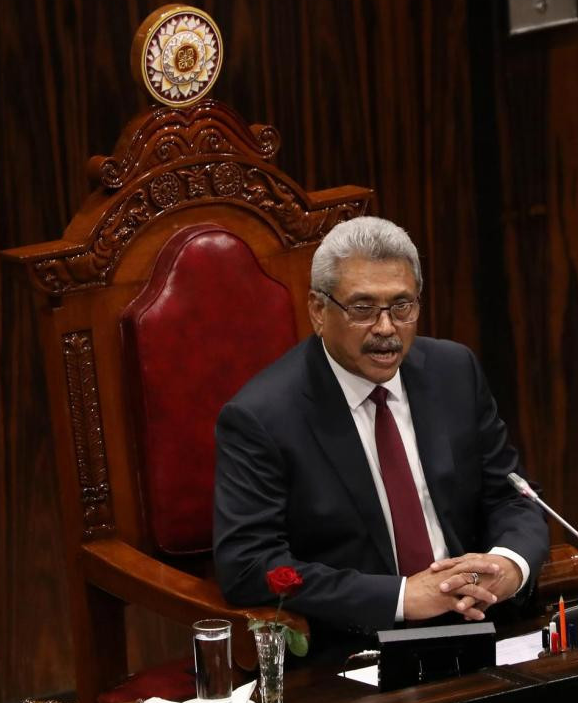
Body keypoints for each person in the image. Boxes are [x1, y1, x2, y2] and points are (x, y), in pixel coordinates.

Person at [213, 216, 548, 647]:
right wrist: (402, 597)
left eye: (402, 306)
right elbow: (248, 564)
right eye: (363, 309)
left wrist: (508, 565)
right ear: (318, 310)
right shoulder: (262, 416)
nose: (386, 329)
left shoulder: (454, 372)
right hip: (356, 651)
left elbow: (512, 495)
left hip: (480, 625)